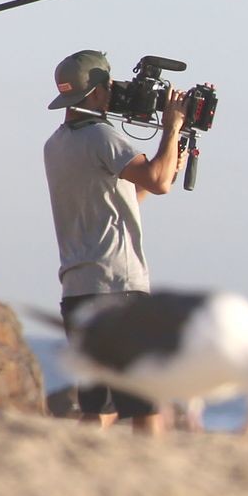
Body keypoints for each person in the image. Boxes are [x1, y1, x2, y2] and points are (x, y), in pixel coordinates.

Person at [42, 50, 188, 434]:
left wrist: (167, 162)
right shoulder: (102, 136)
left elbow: (124, 200)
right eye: (108, 86)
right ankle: (147, 471)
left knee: (97, 404)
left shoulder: (56, 144)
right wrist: (171, 128)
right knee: (144, 403)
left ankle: (80, 467)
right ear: (96, 91)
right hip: (118, 287)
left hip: (77, 289)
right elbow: (159, 182)